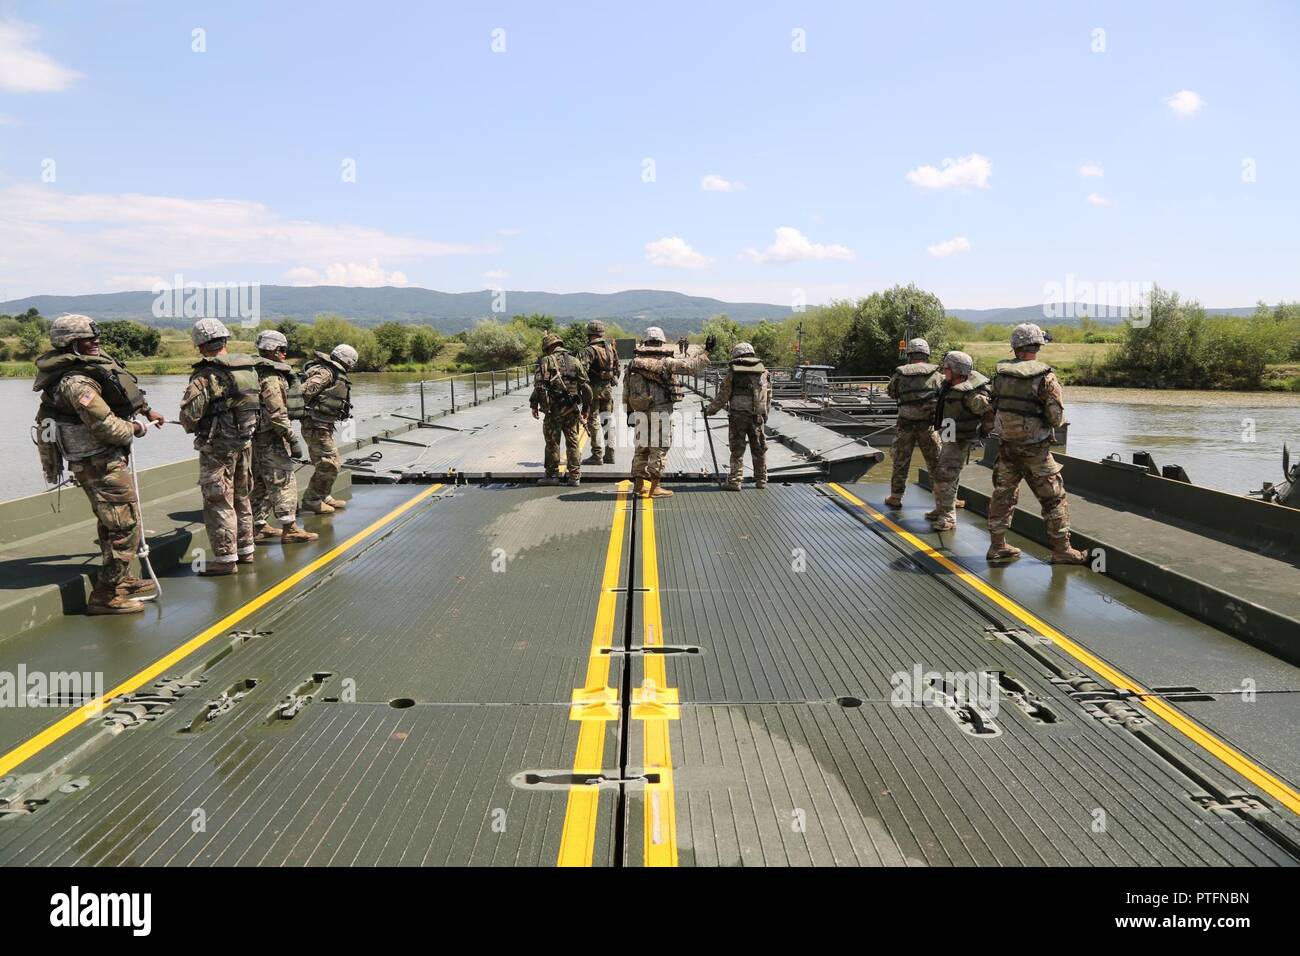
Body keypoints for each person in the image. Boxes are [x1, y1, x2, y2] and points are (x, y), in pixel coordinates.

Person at [32, 313, 165, 614]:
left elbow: (120, 389)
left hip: (103, 459)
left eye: (95, 337)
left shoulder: (91, 366)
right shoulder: (76, 383)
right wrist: (135, 429)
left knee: (112, 521)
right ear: (71, 344)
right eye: (88, 339)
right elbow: (107, 427)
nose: (96, 343)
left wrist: (147, 411)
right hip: (97, 461)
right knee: (124, 525)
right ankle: (106, 594)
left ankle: (122, 578)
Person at [985, 323, 1088, 564]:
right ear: (1037, 346)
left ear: (1015, 347)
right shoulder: (1046, 378)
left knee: (1003, 495)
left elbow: (993, 407)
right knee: (1053, 499)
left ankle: (997, 546)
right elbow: (1055, 418)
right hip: (1036, 452)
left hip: (1007, 448)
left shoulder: (1000, 375)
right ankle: (1062, 550)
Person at [178, 318, 262, 576]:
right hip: (244, 443)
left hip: (217, 449)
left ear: (201, 345)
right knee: (241, 497)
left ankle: (226, 559)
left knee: (218, 501)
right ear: (225, 340)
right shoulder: (248, 369)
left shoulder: (207, 375)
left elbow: (189, 416)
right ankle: (246, 549)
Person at [623, 326, 715, 498]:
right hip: (661, 411)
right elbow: (690, 367)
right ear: (661, 342)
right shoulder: (666, 362)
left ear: (646, 342)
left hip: (640, 411)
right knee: (659, 448)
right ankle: (654, 488)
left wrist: (628, 411)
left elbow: (626, 388)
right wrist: (707, 351)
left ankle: (639, 487)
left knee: (641, 449)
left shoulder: (633, 363)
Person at [251, 330, 317, 544]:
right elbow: (277, 412)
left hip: (251, 435)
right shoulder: (270, 376)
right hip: (269, 436)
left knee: (259, 481)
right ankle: (290, 529)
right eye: (282, 349)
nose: (284, 354)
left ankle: (258, 525)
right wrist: (292, 439)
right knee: (284, 479)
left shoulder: (252, 371)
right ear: (272, 350)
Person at [926, 350, 990, 531]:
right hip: (949, 433)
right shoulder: (950, 385)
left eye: (946, 368)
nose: (944, 371)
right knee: (944, 473)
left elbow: (988, 413)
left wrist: (983, 432)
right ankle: (941, 509)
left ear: (956, 370)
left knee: (945, 475)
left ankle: (948, 517)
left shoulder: (972, 394)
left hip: (960, 438)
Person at [703, 341, 771, 490]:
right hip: (757, 416)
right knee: (759, 448)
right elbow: (768, 395)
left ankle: (734, 481)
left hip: (738, 416)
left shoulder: (733, 372)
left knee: (737, 449)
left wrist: (709, 410)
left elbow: (723, 396)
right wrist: (765, 413)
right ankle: (761, 480)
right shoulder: (764, 372)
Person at [884, 337, 943, 508]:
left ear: (909, 354)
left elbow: (892, 393)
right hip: (929, 425)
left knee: (900, 461)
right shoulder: (937, 375)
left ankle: (895, 497)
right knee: (936, 462)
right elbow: (944, 396)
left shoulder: (900, 374)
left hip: (905, 425)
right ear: (926, 354)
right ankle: (943, 501)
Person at [299, 344, 356, 514]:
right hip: (315, 424)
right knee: (330, 463)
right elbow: (303, 392)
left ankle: (323, 495)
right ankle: (312, 499)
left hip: (323, 424)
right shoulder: (326, 373)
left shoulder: (332, 372)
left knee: (327, 461)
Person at [530, 332, 593, 486]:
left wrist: (534, 405)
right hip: (571, 410)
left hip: (552, 411)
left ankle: (552, 476)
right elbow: (586, 388)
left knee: (552, 443)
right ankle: (574, 477)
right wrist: (585, 407)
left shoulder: (545, 361)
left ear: (547, 347)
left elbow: (538, 387)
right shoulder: (574, 361)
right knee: (573, 442)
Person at [578, 320, 620, 466]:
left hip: (592, 390)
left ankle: (597, 455)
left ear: (589, 334)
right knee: (608, 420)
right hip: (607, 389)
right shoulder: (610, 348)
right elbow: (617, 370)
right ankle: (610, 454)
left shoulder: (588, 350)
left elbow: (581, 372)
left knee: (593, 421)